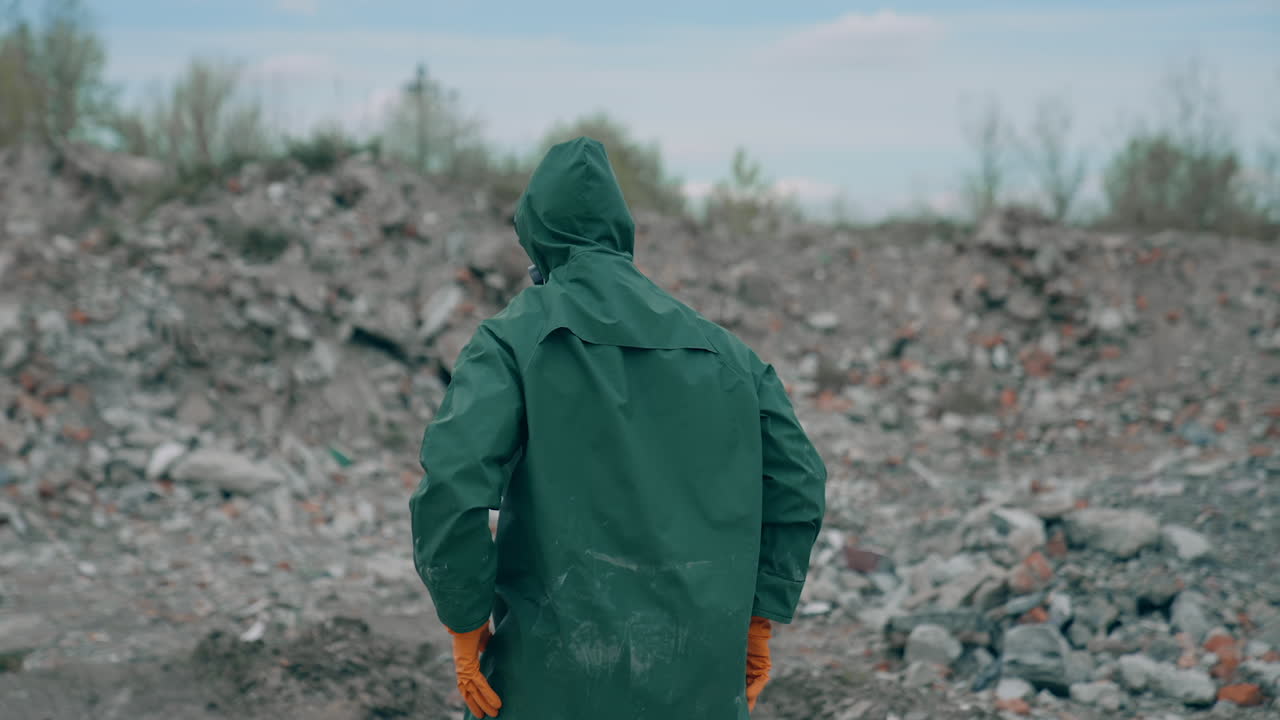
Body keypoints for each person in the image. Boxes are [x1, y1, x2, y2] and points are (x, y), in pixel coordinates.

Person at [409, 136, 827, 719]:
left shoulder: (512, 339)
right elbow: (799, 484)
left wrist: (464, 618)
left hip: (552, 684)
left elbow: (453, 484)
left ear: (536, 236)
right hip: (700, 687)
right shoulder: (731, 357)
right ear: (620, 231)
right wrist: (760, 618)